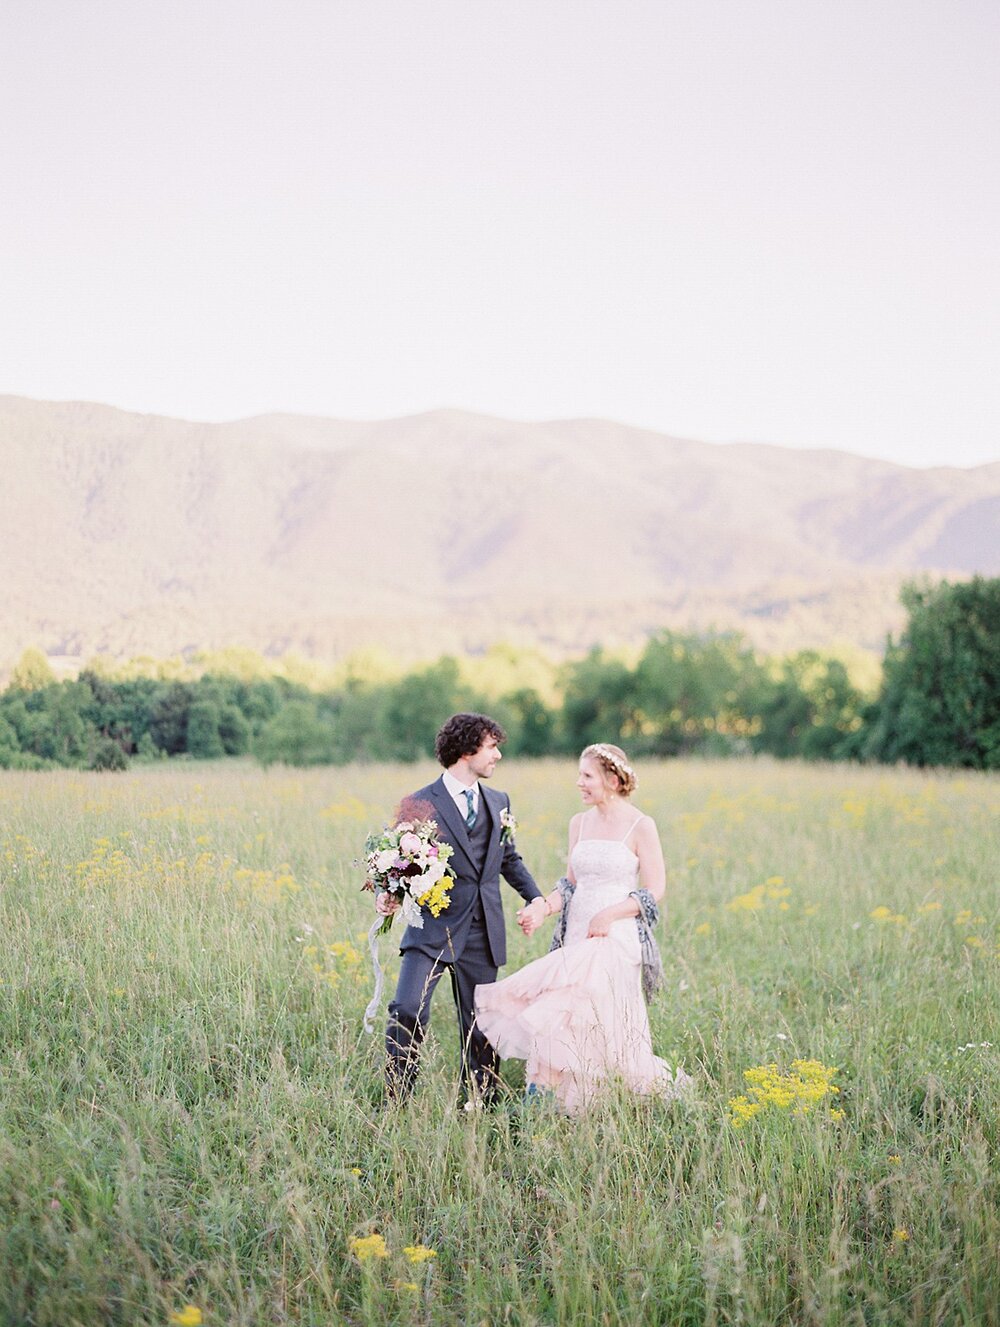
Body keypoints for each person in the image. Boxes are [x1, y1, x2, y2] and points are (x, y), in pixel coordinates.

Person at [474, 742, 691, 1113]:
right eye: (579, 775)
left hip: (614, 939)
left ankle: (555, 1104)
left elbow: (655, 890)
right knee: (564, 1017)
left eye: (587, 776)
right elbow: (570, 886)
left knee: (582, 1017)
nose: (579, 783)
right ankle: (546, 1103)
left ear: (612, 779)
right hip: (576, 935)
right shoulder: (579, 823)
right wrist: (543, 909)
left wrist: (610, 914)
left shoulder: (641, 825)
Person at [377, 712, 542, 1105]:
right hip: (431, 928)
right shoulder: (419, 803)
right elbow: (401, 863)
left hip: (482, 929)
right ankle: (397, 1098)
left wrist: (534, 898)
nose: (498, 756)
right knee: (406, 1008)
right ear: (467, 750)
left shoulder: (499, 801)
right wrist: (388, 895)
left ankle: (481, 1104)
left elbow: (508, 858)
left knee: (482, 1023)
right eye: (492, 747)